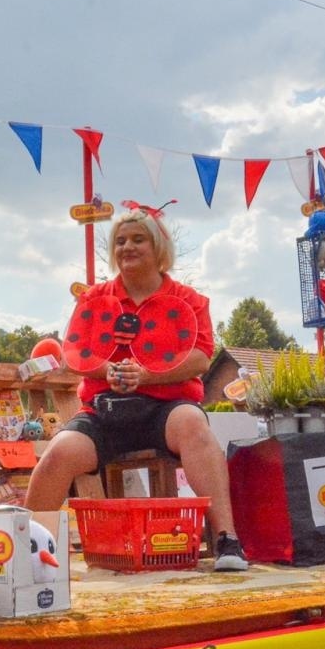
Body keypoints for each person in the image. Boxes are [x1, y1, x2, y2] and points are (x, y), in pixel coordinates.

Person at [25, 203, 248, 571]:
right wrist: (108, 370)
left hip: (166, 409)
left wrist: (145, 376)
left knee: (194, 426)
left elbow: (200, 359)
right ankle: (27, 553)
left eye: (138, 239)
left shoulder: (189, 300)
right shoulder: (94, 298)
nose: (127, 247)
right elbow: (74, 352)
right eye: (120, 241)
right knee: (58, 454)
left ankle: (228, 540)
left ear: (158, 247)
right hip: (104, 410)